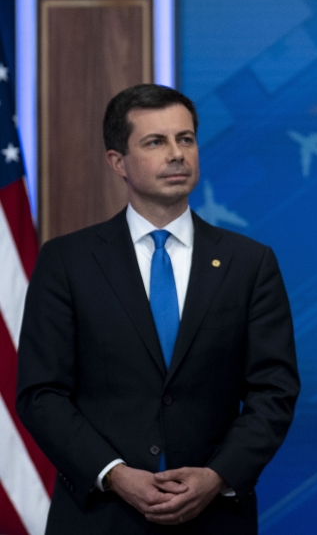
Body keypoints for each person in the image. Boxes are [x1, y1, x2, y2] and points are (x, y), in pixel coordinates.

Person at [17, 85, 300, 533]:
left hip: (214, 518)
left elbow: (274, 390)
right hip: (100, 517)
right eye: (155, 142)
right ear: (118, 162)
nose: (177, 154)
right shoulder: (67, 262)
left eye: (185, 139)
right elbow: (41, 393)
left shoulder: (249, 263)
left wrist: (217, 475)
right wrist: (113, 473)